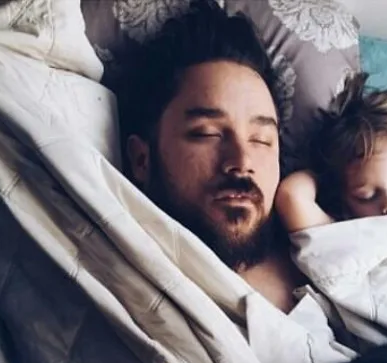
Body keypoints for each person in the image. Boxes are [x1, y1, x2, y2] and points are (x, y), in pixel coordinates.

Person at [114, 3, 304, 313]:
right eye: (207, 134)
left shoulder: (324, 264)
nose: (242, 162)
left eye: (261, 139)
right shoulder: (114, 283)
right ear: (141, 160)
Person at [275, 72, 387, 233]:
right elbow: (291, 195)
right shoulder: (345, 235)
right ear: (344, 205)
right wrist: (326, 175)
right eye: (366, 196)